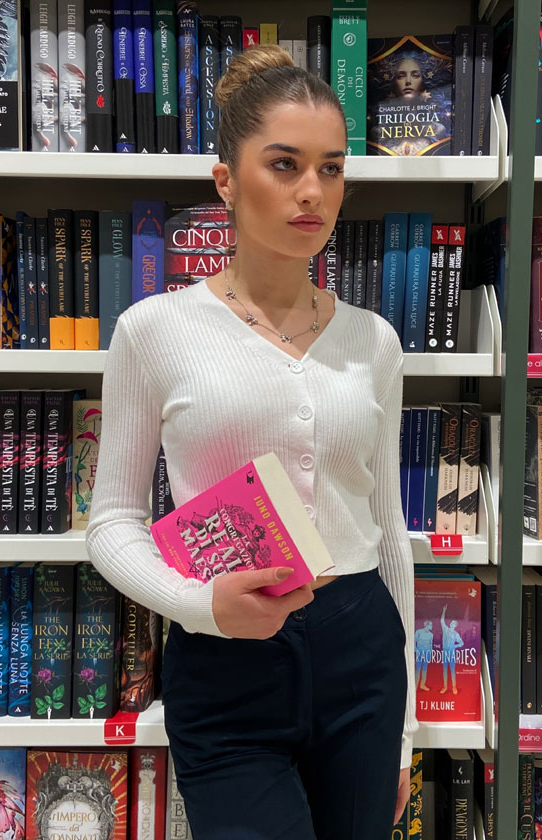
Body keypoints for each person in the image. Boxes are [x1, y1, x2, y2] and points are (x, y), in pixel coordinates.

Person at [86, 43, 416, 840]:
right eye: (284, 164)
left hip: (361, 651)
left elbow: (387, 530)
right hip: (224, 655)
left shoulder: (374, 340)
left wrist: (405, 732)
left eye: (332, 169)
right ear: (226, 181)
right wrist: (198, 605)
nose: (312, 192)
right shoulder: (154, 330)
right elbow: (112, 521)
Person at [440, 604, 464, 695]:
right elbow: (442, 621)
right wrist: (444, 610)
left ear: (455, 625)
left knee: (452, 669)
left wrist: (455, 646)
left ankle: (454, 687)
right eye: (451, 622)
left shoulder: (456, 634)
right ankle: (445, 687)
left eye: (454, 623)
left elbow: (462, 643)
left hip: (451, 652)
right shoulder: (445, 629)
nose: (451, 623)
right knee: (444, 669)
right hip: (444, 652)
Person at [414, 620, 434, 691]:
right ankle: (415, 686)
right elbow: (414, 641)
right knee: (418, 669)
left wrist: (430, 654)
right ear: (426, 625)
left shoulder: (431, 634)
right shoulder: (418, 632)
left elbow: (431, 644)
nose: (432, 626)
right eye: (430, 625)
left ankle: (422, 685)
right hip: (419, 653)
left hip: (427, 654)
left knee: (425, 669)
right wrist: (415, 650)